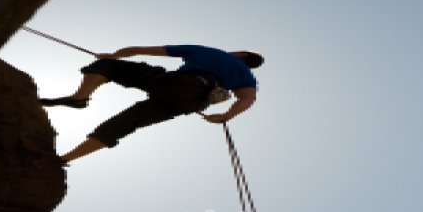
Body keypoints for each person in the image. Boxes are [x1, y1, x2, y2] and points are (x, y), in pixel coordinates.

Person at [40, 45, 264, 163]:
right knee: (128, 122)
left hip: (177, 84)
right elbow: (247, 98)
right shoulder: (246, 77)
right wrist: (226, 116)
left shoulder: (214, 53)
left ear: (241, 53)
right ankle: (63, 160)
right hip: (190, 102)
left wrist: (113, 55)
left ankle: (79, 98)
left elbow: (141, 49)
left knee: (108, 66)